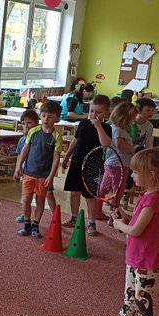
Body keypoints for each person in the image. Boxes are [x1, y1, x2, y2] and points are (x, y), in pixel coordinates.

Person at [87, 148, 159, 316]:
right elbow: (138, 223)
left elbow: (136, 231)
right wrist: (124, 217)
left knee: (142, 303)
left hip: (145, 261)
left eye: (135, 172)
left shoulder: (154, 200)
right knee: (131, 297)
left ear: (151, 174)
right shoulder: (148, 196)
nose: (132, 175)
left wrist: (119, 224)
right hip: (135, 257)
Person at [61, 94, 112, 236]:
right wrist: (67, 156)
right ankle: (74, 217)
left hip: (93, 166)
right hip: (77, 162)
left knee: (90, 196)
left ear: (107, 113)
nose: (94, 115)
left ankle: (91, 223)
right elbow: (75, 141)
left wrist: (98, 126)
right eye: (91, 111)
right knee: (74, 193)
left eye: (98, 112)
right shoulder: (83, 124)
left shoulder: (107, 128)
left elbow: (106, 143)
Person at [14, 100, 62, 238]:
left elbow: (56, 158)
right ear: (40, 115)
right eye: (44, 115)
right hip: (28, 173)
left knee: (40, 201)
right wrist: (18, 167)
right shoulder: (33, 132)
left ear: (57, 118)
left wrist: (51, 176)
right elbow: (24, 150)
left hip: (43, 175)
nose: (46, 119)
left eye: (50, 117)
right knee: (26, 200)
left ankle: (35, 225)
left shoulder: (57, 137)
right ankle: (27, 224)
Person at [99, 102, 137, 225]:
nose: (132, 121)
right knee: (117, 192)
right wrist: (131, 149)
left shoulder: (113, 127)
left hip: (110, 164)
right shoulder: (120, 130)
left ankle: (97, 210)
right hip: (119, 165)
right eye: (131, 118)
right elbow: (120, 145)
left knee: (104, 188)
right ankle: (113, 218)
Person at [14, 109, 39, 224]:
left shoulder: (39, 138)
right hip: (26, 172)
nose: (26, 126)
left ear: (36, 123)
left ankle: (55, 215)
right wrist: (17, 169)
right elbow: (19, 155)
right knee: (26, 196)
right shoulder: (22, 140)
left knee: (45, 196)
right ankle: (25, 214)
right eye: (23, 123)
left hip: (40, 172)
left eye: (29, 123)